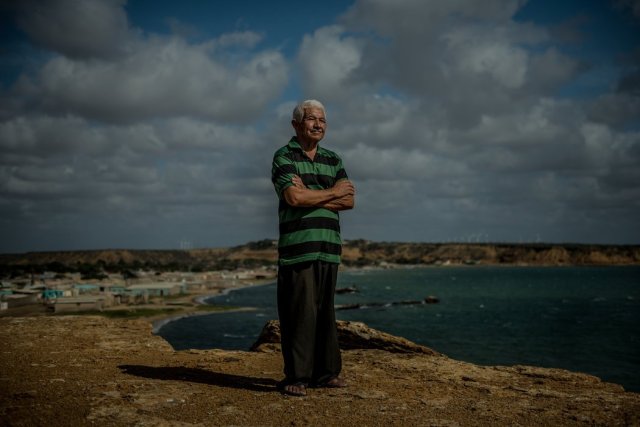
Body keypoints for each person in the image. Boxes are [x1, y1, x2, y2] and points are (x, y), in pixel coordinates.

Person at [271, 99, 355, 397]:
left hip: (328, 246)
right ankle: (298, 376)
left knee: (324, 312)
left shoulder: (334, 159)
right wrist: (330, 192)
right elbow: (294, 198)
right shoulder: (284, 156)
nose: (318, 124)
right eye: (311, 119)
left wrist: (311, 193)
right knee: (299, 313)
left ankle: (326, 373)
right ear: (296, 124)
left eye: (323, 120)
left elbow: (350, 200)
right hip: (298, 248)